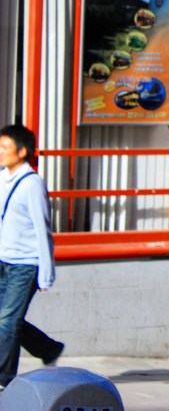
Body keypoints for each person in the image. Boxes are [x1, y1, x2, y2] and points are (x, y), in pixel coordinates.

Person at [0, 125, 63, 387]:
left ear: (22, 151)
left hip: (25, 265)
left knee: (6, 321)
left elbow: (43, 230)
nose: (1, 152)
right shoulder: (3, 178)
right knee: (7, 319)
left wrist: (46, 275)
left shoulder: (32, 184)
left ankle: (4, 378)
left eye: (5, 147)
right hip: (3, 260)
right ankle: (47, 349)